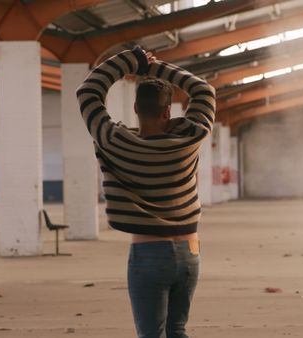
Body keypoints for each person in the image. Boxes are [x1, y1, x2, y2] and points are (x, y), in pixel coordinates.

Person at [76, 46, 216, 338]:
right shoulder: (191, 138)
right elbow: (202, 90)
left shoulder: (114, 141)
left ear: (136, 108)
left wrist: (133, 60)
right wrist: (154, 67)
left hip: (148, 251)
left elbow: (89, 90)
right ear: (169, 111)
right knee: (177, 331)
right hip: (191, 250)